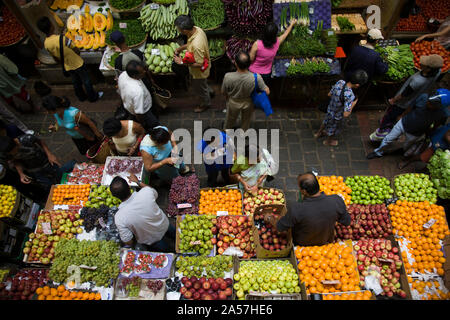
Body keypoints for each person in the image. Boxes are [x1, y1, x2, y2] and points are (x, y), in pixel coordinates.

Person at [370, 54, 443, 142]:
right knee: (394, 116)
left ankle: (381, 133)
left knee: (390, 115)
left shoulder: (417, 81)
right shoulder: (438, 72)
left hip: (403, 103)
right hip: (415, 99)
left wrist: (393, 100)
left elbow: (404, 94)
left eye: (424, 64)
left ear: (428, 69)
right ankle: (389, 125)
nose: (420, 64)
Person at [264, 173, 351, 246]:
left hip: (303, 243)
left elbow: (280, 227)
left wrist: (269, 218)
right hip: (325, 241)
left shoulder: (297, 209)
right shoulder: (336, 200)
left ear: (304, 191)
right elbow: (347, 222)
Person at [36, 16, 103, 103]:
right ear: (51, 26)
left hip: (67, 65)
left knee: (76, 82)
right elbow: (76, 50)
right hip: (77, 63)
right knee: (86, 80)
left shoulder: (46, 43)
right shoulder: (62, 38)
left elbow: (55, 57)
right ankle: (93, 97)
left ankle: (81, 97)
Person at [367, 90, 449, 160]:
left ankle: (402, 153)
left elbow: (437, 124)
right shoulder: (423, 97)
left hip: (416, 132)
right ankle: (378, 152)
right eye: (428, 101)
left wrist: (431, 130)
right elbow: (411, 107)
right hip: (404, 122)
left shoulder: (443, 114)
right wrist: (402, 115)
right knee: (388, 139)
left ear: (439, 107)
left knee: (407, 146)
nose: (427, 103)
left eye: (431, 104)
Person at [110, 175, 175, 252]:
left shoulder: (119, 217)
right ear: (129, 186)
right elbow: (153, 192)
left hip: (152, 240)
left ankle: (173, 253)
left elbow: (128, 241)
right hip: (164, 224)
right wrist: (138, 182)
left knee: (167, 251)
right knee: (176, 235)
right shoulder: (146, 192)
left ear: (114, 196)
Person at [0, 134, 75, 194]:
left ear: (16, 142)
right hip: (33, 170)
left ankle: (72, 164)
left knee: (59, 174)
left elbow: (40, 141)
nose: (15, 153)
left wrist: (49, 154)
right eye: (13, 153)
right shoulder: (6, 153)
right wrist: (21, 173)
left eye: (16, 150)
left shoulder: (27, 139)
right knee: (48, 185)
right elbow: (15, 161)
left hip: (45, 162)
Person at [314, 70, 369, 146]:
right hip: (337, 115)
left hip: (330, 109)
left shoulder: (340, 82)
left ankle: (318, 133)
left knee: (325, 121)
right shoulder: (350, 95)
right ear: (357, 85)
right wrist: (353, 103)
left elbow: (329, 94)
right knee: (333, 128)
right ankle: (328, 141)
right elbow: (346, 114)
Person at [173, 15, 213, 113]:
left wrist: (181, 62)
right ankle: (209, 91)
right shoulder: (197, 30)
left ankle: (205, 103)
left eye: (179, 29)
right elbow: (191, 44)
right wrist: (181, 48)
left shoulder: (197, 45)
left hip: (199, 72)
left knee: (199, 88)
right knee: (203, 84)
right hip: (204, 67)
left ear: (185, 31)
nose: (178, 30)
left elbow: (199, 64)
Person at [222, 51, 269, 131]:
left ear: (236, 64)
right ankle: (243, 133)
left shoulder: (228, 76)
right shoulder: (256, 77)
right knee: (246, 120)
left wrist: (227, 98)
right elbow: (267, 91)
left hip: (233, 102)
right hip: (248, 102)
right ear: (249, 64)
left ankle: (227, 130)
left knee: (230, 118)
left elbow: (223, 91)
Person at [249, 19, 297, 84]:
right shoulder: (277, 42)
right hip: (266, 75)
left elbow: (251, 59)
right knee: (263, 90)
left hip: (253, 73)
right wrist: (292, 24)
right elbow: (285, 34)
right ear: (275, 35)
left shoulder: (257, 44)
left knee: (252, 90)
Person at [118, 60, 159, 131]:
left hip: (129, 107)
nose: (144, 72)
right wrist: (142, 123)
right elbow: (139, 113)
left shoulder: (123, 74)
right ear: (135, 76)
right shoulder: (137, 92)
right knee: (154, 124)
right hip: (144, 111)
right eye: (142, 72)